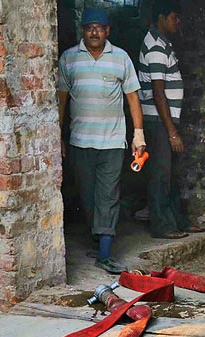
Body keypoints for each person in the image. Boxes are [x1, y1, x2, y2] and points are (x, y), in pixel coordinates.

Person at [58, 7, 146, 274]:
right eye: (89, 28)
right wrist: (58, 136)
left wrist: (138, 135)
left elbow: (132, 97)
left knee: (108, 195)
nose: (94, 32)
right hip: (80, 141)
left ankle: (105, 254)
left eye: (99, 28)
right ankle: (99, 242)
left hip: (112, 142)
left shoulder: (121, 58)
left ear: (107, 31)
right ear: (83, 31)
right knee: (88, 196)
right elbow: (61, 99)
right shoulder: (69, 59)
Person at [137, 0, 204, 240]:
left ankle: (178, 221)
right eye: (175, 17)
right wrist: (171, 131)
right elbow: (158, 92)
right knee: (161, 174)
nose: (178, 22)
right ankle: (162, 225)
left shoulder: (163, 43)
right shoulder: (155, 46)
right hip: (158, 122)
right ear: (162, 18)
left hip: (164, 121)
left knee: (170, 173)